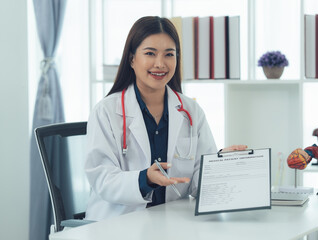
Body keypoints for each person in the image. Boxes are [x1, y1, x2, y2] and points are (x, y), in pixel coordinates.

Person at [84, 16, 247, 221]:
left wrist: (220, 164)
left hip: (171, 223)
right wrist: (146, 179)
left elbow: (197, 181)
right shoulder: (106, 111)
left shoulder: (191, 111)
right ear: (132, 59)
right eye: (150, 53)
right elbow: (102, 178)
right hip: (118, 223)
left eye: (169, 54)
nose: (160, 64)